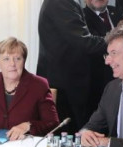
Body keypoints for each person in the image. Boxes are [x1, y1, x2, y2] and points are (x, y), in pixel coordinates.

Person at [0, 38, 59, 141]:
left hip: (25, 145)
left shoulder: (38, 85)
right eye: (6, 59)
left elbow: (53, 123)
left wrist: (27, 125)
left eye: (17, 59)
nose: (12, 64)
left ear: (23, 61)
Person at [37, 0, 107, 134]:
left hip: (66, 83)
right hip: (64, 86)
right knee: (67, 139)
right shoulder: (61, 2)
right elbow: (84, 42)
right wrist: (116, 42)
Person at [83, 0, 122, 119]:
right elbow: (90, 47)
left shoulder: (118, 13)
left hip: (122, 85)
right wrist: (118, 33)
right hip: (94, 88)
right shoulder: (80, 17)